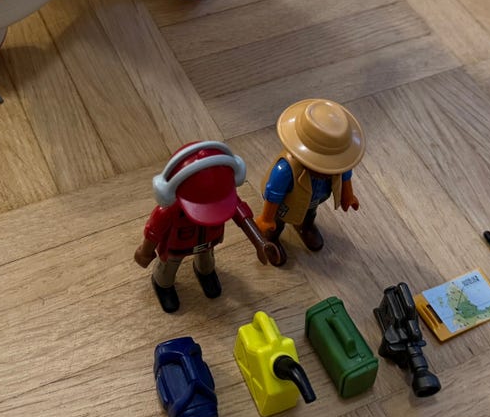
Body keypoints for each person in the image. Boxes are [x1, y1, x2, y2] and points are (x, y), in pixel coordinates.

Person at [135, 142, 277, 313]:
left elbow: (242, 216)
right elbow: (153, 232)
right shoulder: (169, 210)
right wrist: (145, 251)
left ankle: (205, 273)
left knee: (207, 262)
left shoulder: (224, 195)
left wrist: (260, 242)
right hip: (176, 247)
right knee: (167, 269)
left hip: (208, 242)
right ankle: (162, 285)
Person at [257, 99, 364, 266]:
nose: (331, 171)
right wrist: (266, 218)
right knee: (277, 223)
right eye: (325, 166)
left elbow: (345, 174)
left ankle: (305, 227)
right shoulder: (286, 169)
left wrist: (347, 195)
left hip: (313, 200)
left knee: (309, 214)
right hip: (285, 203)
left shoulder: (338, 166)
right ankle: (270, 238)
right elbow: (273, 193)